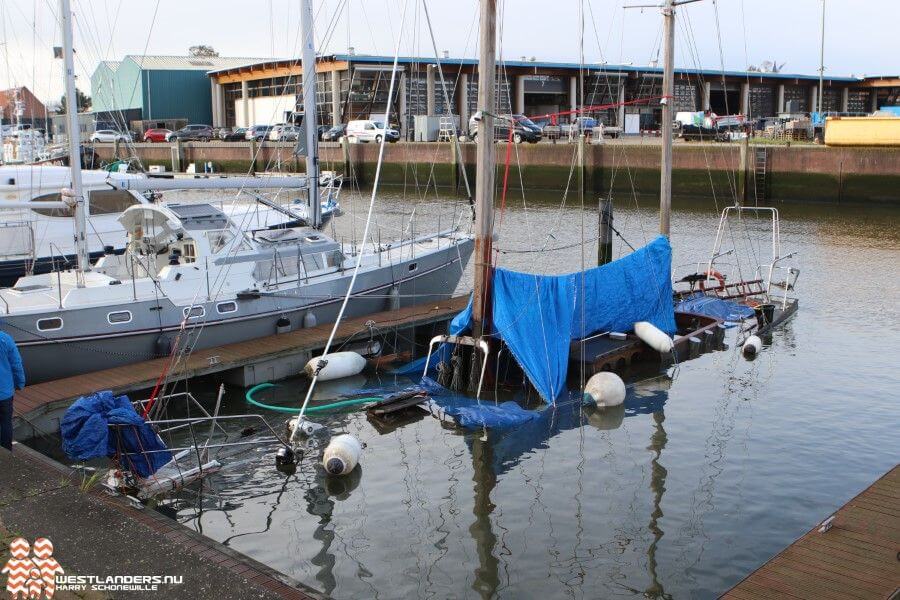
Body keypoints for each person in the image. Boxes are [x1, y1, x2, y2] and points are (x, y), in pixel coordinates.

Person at [0, 329, 25, 451]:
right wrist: (20, 383)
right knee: (5, 422)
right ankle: (6, 451)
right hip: (4, 392)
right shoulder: (6, 339)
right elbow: (16, 364)